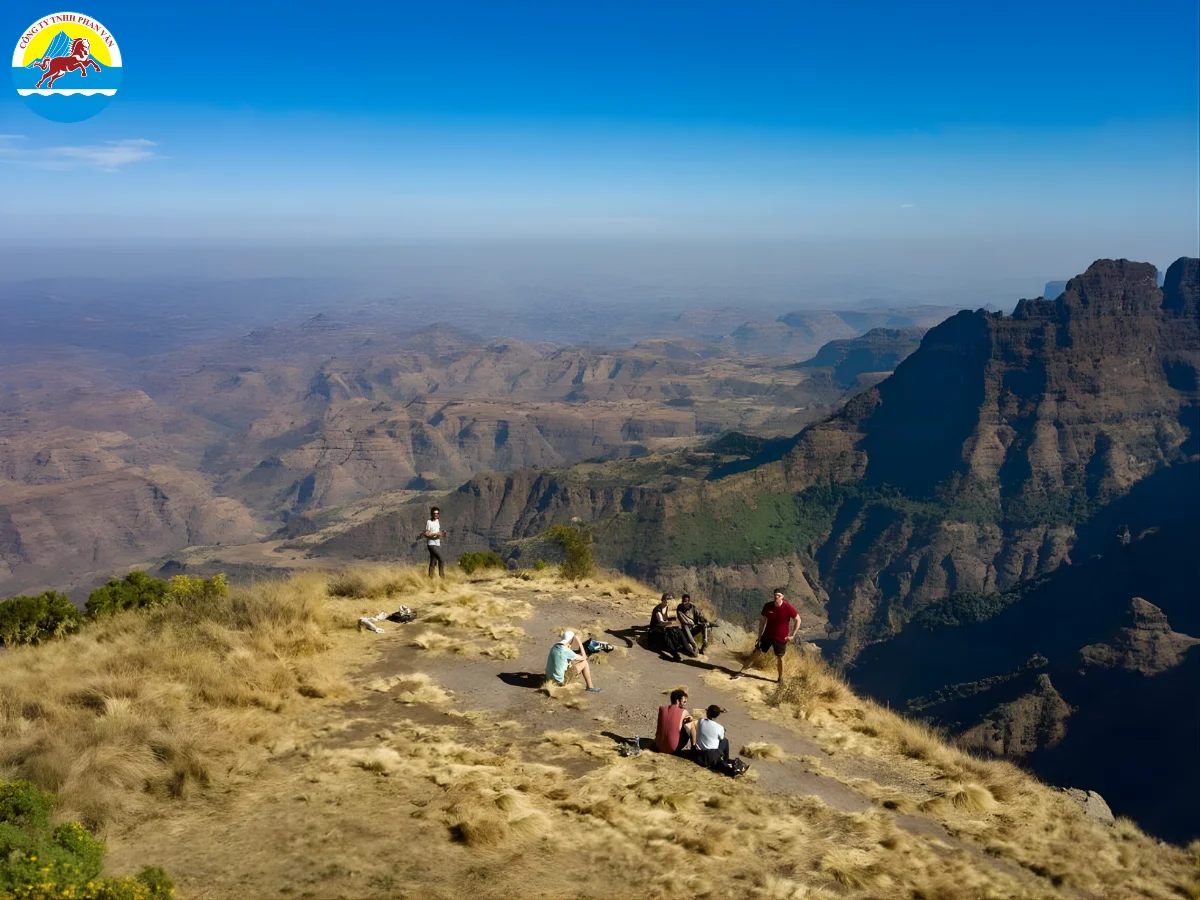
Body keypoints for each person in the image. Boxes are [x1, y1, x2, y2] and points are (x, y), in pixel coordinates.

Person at [731, 589, 800, 683]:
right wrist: (759, 635)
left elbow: (798, 620)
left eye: (779, 595)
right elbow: (762, 621)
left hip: (781, 638)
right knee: (756, 653)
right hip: (767, 635)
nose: (776, 597)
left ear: (782, 597)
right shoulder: (768, 606)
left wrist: (792, 635)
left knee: (780, 658)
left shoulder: (788, 607)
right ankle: (742, 672)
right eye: (775, 595)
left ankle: (780, 679)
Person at [649, 593, 698, 660]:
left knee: (678, 630)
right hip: (655, 630)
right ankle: (675, 654)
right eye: (666, 600)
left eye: (668, 600)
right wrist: (669, 622)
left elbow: (665, 618)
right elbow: (661, 621)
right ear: (662, 600)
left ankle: (687, 649)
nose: (667, 601)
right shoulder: (658, 609)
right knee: (666, 636)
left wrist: (671, 619)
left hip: (662, 628)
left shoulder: (665, 607)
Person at [655, 688, 697, 755]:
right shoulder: (684, 712)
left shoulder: (662, 709)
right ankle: (694, 750)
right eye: (684, 702)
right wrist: (686, 720)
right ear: (677, 701)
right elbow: (691, 719)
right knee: (691, 724)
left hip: (658, 746)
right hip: (672, 749)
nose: (685, 704)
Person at [423, 507, 445, 579]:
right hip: (431, 544)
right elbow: (426, 534)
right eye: (434, 513)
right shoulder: (429, 522)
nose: (436, 515)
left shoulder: (437, 521)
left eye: (437, 513)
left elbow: (439, 533)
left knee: (433, 561)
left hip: (437, 543)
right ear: (432, 514)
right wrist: (436, 533)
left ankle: (430, 578)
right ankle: (442, 577)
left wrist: (442, 534)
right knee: (441, 559)